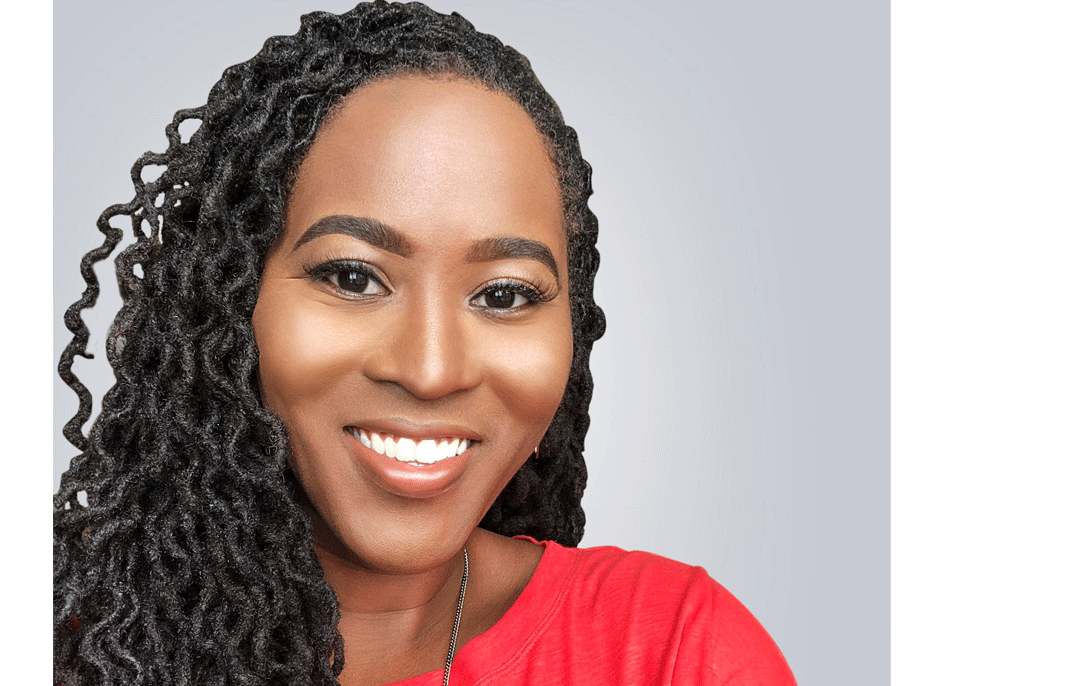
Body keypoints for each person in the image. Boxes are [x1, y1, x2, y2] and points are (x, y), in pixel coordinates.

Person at [55, 2, 797, 684]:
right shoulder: (65, 643)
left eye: (503, 295)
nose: (431, 370)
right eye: (352, 277)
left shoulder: (671, 653)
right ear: (222, 306)